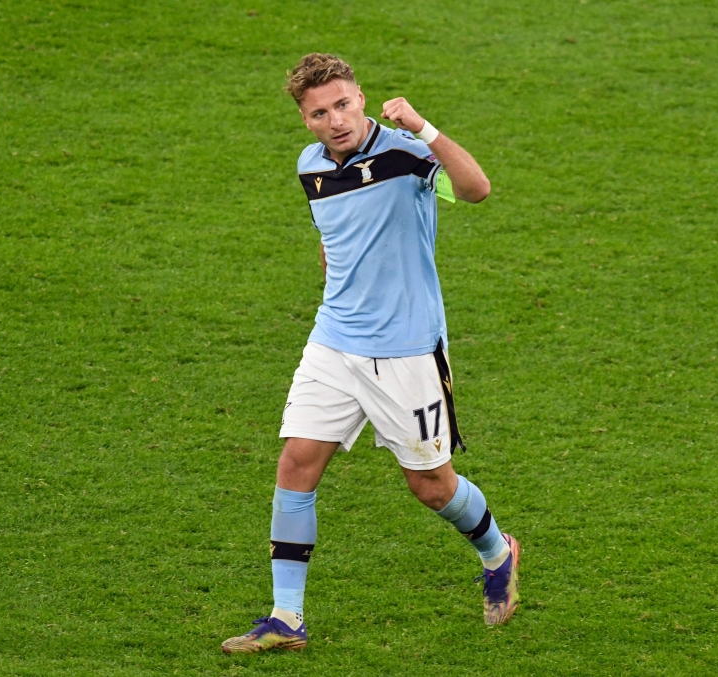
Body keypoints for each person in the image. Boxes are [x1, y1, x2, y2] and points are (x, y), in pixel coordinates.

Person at [221, 53, 520, 654]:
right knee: (296, 463)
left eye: (343, 104)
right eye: (319, 112)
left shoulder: (406, 155)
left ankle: (497, 549)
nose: (335, 120)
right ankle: (287, 618)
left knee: (431, 487)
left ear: (361, 97)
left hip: (406, 351)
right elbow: (333, 241)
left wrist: (424, 128)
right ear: (305, 120)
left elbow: (477, 189)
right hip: (333, 342)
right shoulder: (310, 166)